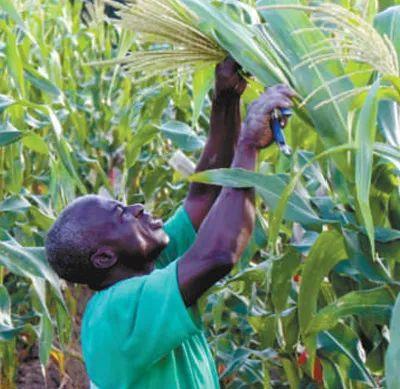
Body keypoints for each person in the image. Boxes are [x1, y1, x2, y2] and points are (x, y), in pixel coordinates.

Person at [45, 58, 295, 389]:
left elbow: (204, 196)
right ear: (105, 257)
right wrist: (247, 144)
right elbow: (218, 254)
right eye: (122, 214)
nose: (136, 207)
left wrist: (226, 101)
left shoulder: (146, 270)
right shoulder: (115, 315)